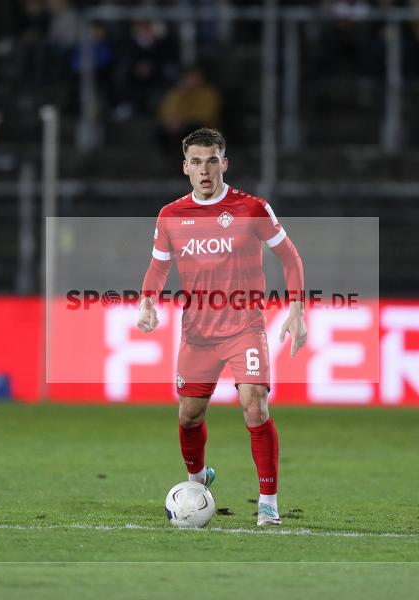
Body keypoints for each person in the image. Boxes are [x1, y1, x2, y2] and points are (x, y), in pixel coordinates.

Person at [137, 128, 307, 527]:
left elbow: (290, 257)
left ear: (224, 163)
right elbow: (159, 266)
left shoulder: (252, 208)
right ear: (185, 168)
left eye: (212, 160)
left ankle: (268, 501)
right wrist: (147, 300)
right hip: (197, 333)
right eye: (196, 162)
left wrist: (297, 309)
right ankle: (198, 482)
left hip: (244, 327)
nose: (205, 169)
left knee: (254, 405)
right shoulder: (171, 216)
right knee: (190, 416)